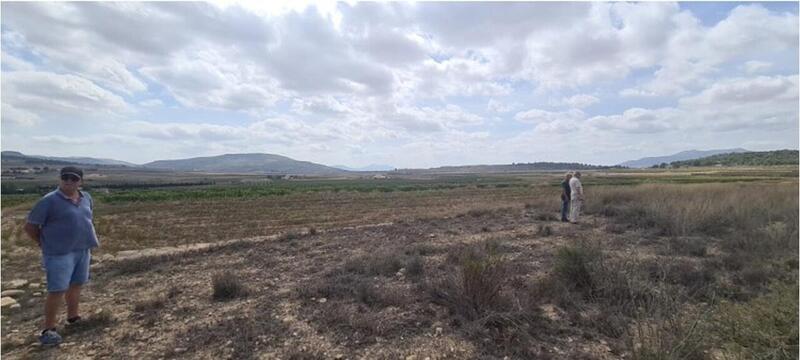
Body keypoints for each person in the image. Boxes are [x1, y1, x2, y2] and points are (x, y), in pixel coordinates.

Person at [24, 166, 99, 346]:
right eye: (65, 177)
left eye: (73, 178)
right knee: (57, 289)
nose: (69, 181)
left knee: (76, 284)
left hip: (82, 249)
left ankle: (73, 318)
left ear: (80, 181)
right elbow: (31, 226)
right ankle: (48, 330)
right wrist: (43, 243)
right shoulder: (49, 201)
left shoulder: (86, 198)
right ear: (60, 179)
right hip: (59, 253)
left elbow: (87, 218)